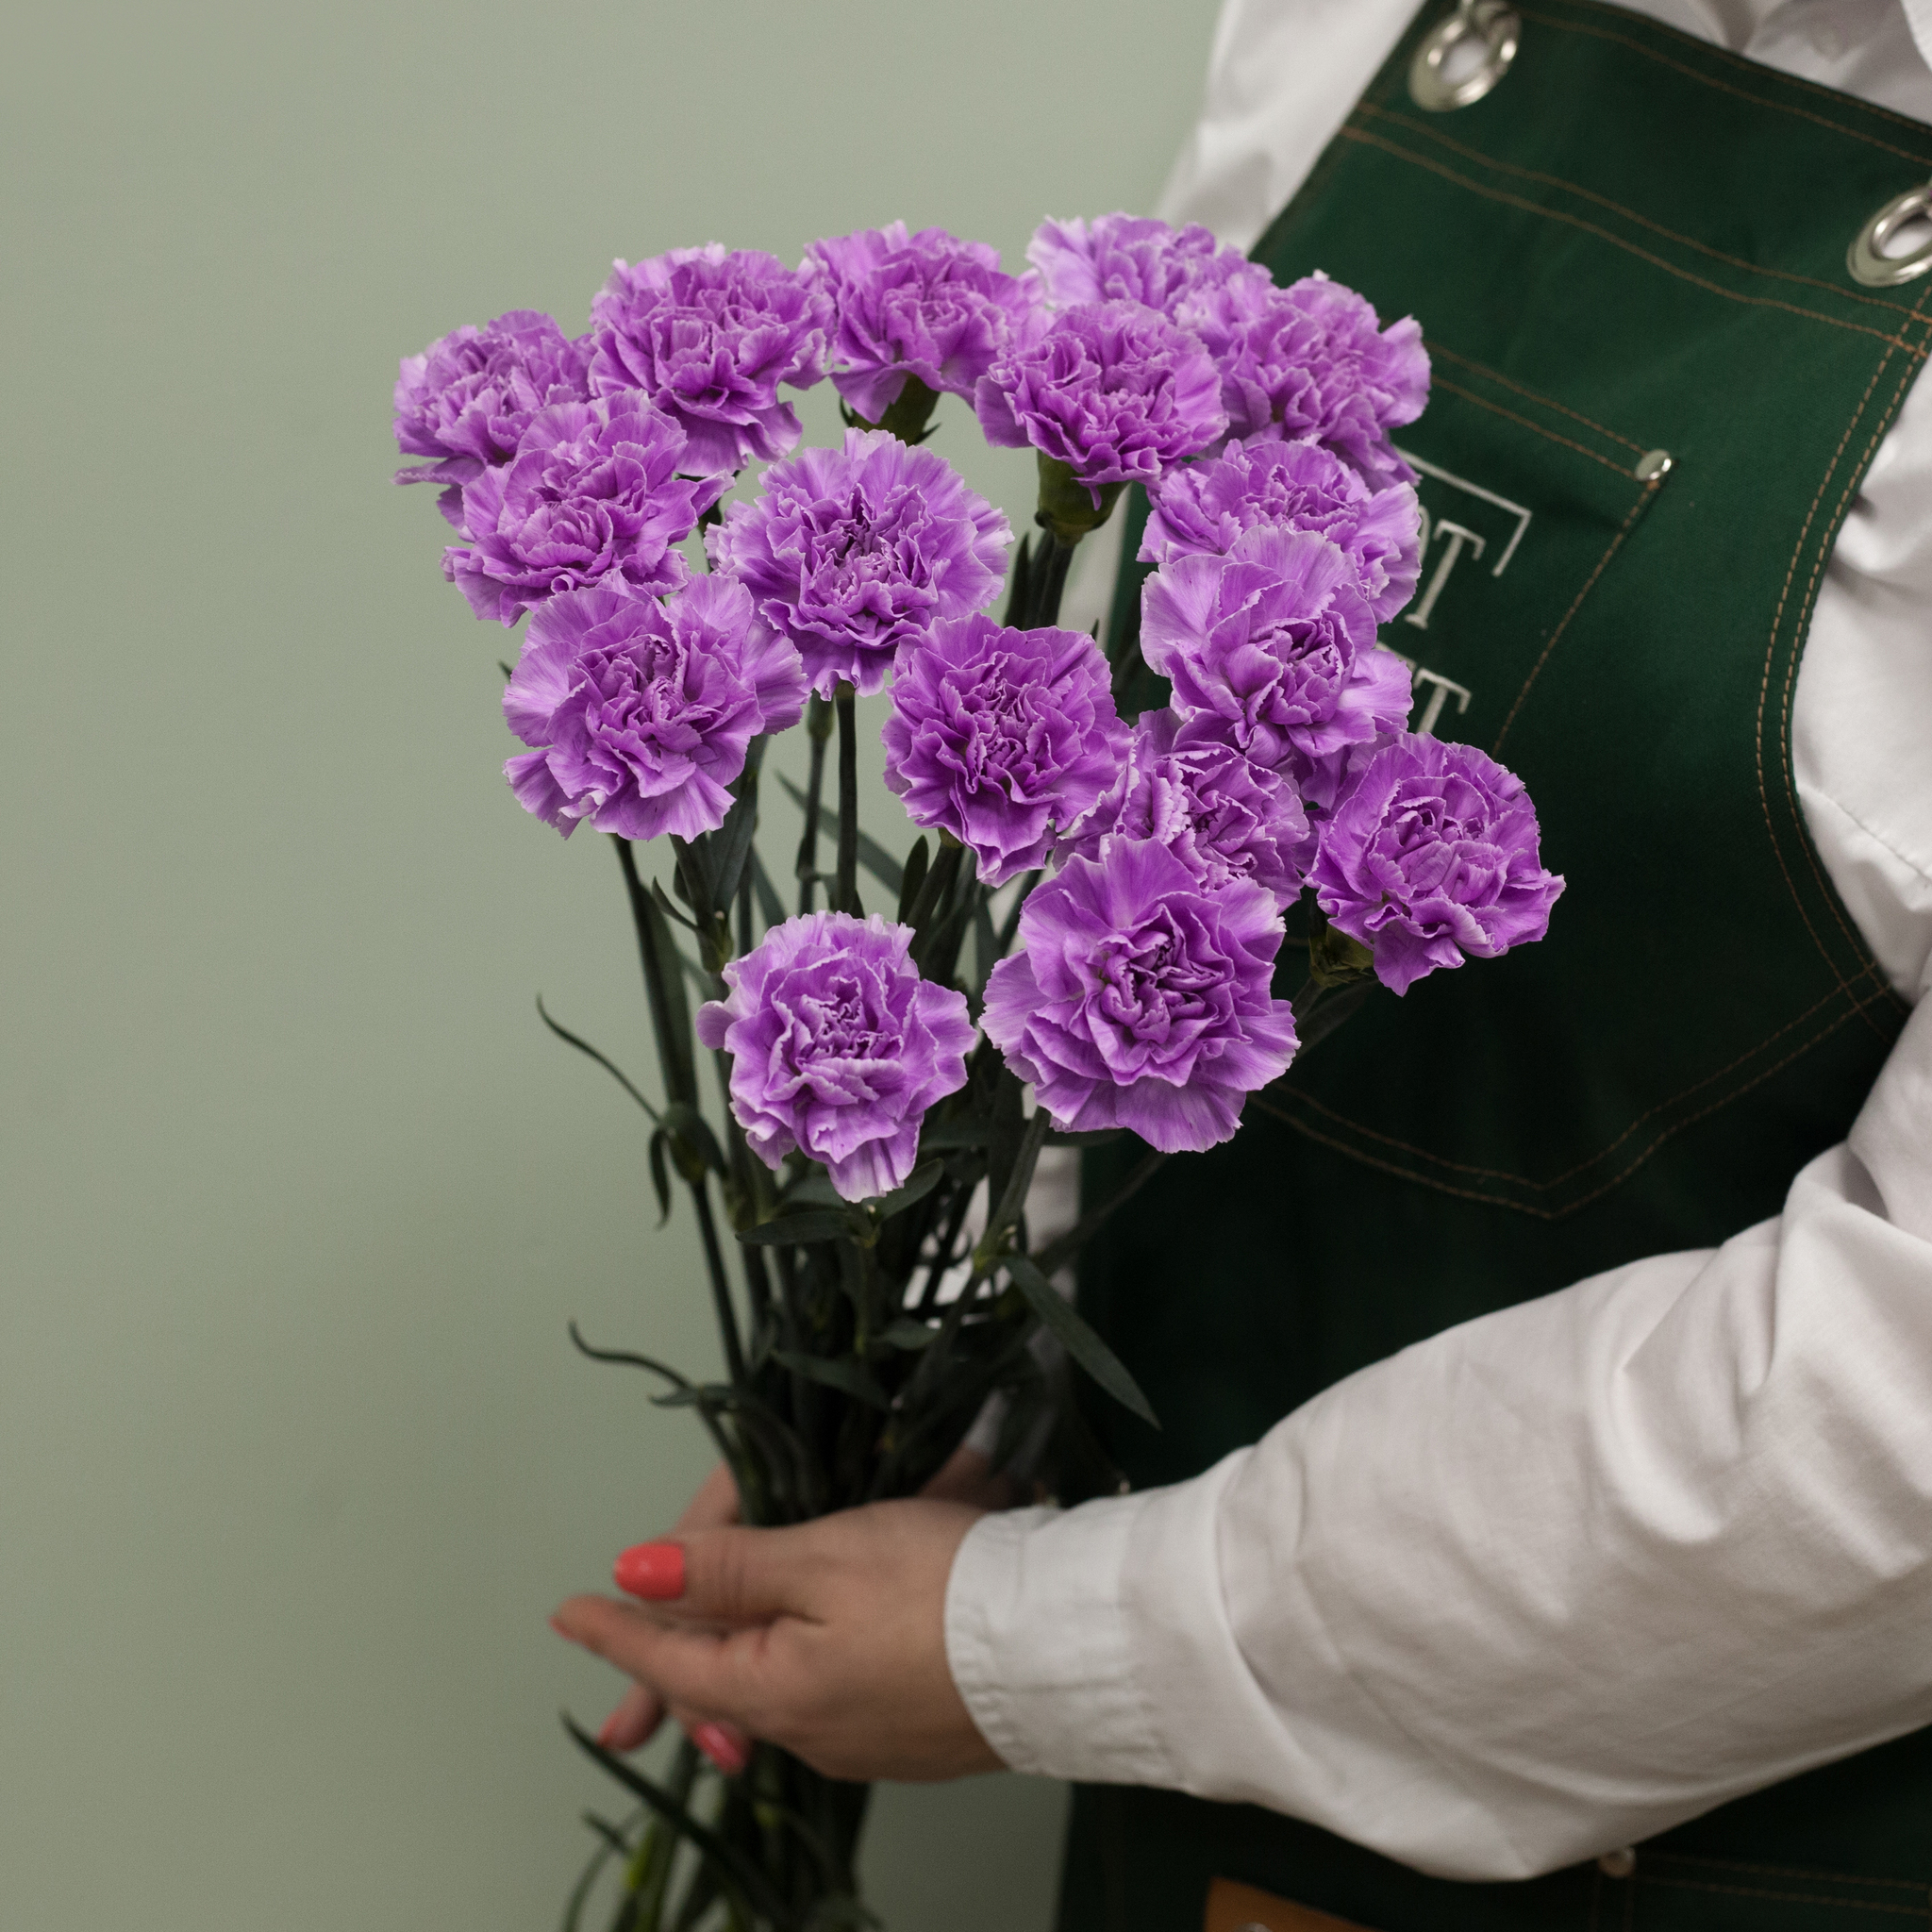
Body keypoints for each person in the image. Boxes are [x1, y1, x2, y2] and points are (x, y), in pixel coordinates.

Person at [550, 2, 1932, 1925]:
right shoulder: (1373, 26)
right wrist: (926, 1372)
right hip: (1186, 1826)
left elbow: (1902, 1409)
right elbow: (1153, 792)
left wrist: (1038, 1644)